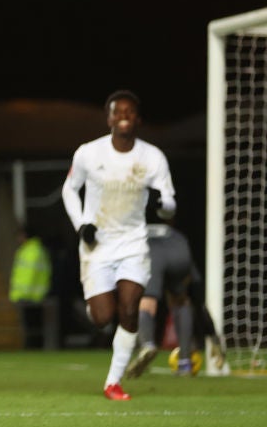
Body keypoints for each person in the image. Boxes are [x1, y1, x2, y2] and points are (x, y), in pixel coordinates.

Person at [61, 90, 177, 401]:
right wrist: (81, 225)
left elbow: (170, 204)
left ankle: (113, 382)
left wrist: (160, 204)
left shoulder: (152, 157)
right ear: (109, 117)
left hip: (133, 244)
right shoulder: (89, 153)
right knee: (102, 317)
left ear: (138, 118)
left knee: (129, 309)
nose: (124, 116)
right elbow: (69, 190)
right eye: (118, 111)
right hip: (97, 245)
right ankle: (95, 305)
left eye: (130, 112)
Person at [125, 223, 224, 378]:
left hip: (150, 252)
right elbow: (198, 302)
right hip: (180, 251)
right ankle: (185, 364)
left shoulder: (131, 234)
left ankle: (147, 345)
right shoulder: (177, 241)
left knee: (147, 302)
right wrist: (213, 337)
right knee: (181, 301)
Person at [8, 225, 52, 349]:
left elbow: (30, 275)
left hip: (31, 296)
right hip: (32, 295)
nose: (18, 238)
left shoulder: (32, 251)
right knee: (32, 326)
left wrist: (22, 293)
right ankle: (33, 346)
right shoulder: (31, 249)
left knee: (33, 327)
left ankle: (33, 347)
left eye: (20, 235)